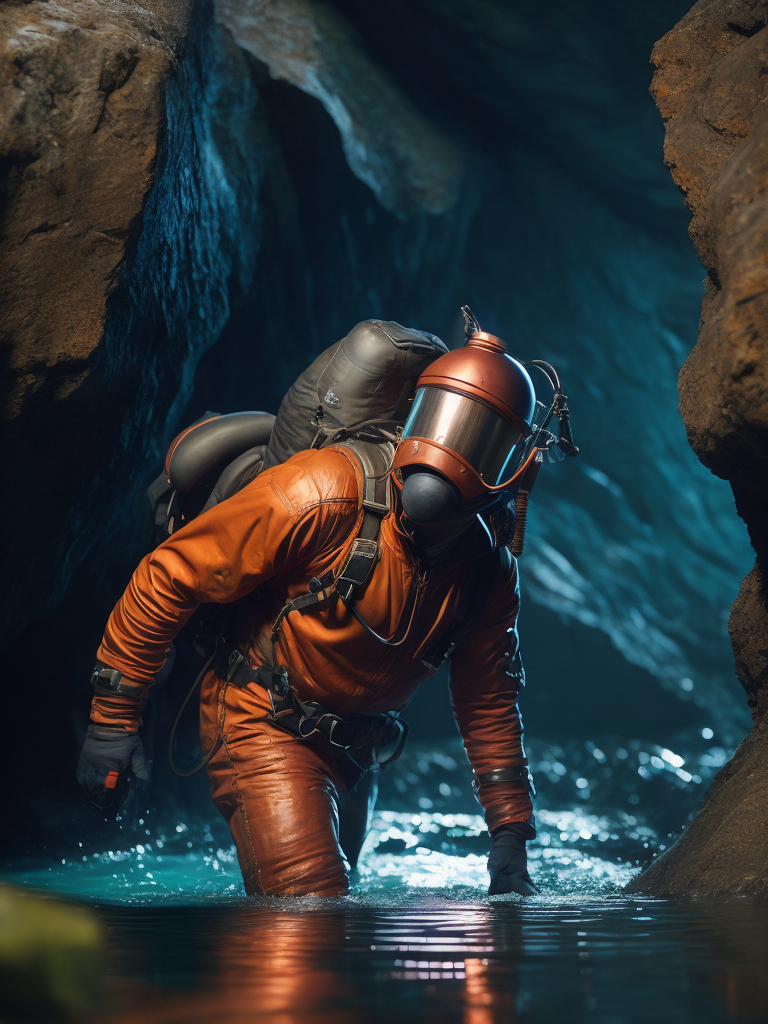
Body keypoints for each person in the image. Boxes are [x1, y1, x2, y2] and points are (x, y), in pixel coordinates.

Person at [77, 321, 540, 898]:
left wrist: (510, 834)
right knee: (311, 912)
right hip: (262, 716)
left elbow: (489, 700)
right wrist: (113, 721)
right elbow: (169, 575)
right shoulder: (324, 491)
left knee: (337, 942)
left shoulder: (486, 573)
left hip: (358, 749)